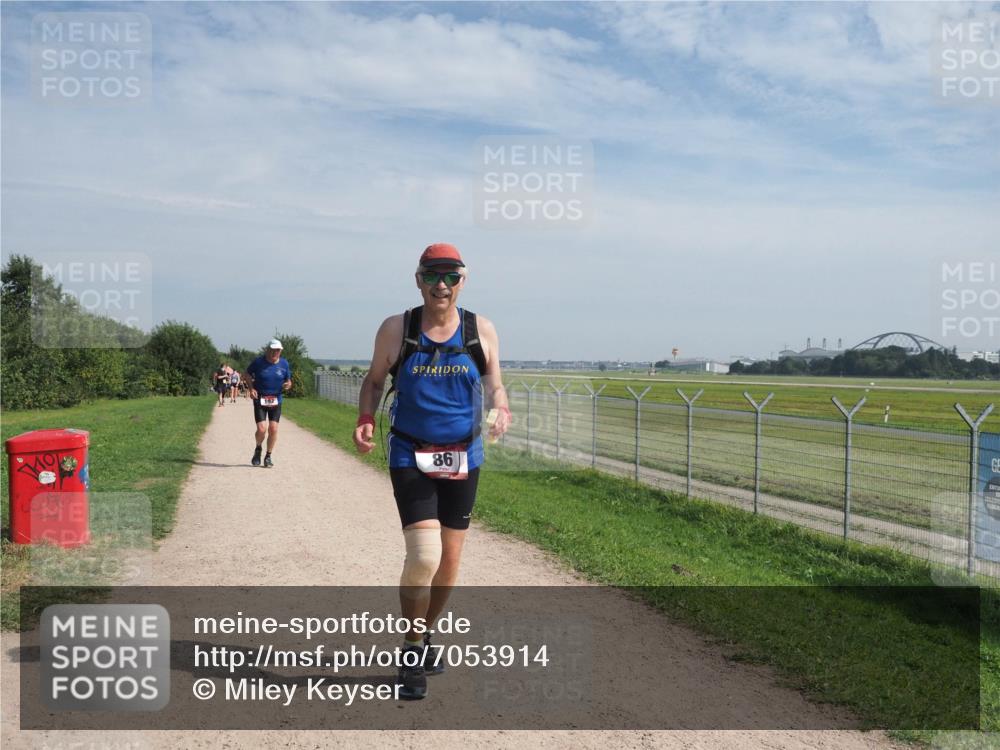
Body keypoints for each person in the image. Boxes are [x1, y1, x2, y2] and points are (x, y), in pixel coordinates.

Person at [352, 243, 511, 700]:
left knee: (449, 564)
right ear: (418, 279)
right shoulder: (396, 329)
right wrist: (366, 417)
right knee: (425, 556)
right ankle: (411, 647)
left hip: (464, 455)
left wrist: (501, 407)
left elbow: (495, 383)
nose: (441, 284)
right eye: (432, 275)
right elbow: (374, 381)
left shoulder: (481, 330)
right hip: (410, 452)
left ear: (463, 280)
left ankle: (424, 632)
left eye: (450, 276)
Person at [246, 340, 292, 468]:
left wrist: (288, 385)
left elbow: (288, 380)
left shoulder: (284, 364)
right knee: (262, 429)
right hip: (260, 399)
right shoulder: (258, 362)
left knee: (273, 429)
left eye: (277, 350)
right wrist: (251, 388)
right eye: (273, 350)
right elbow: (247, 374)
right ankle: (258, 448)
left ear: (280, 351)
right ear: (268, 350)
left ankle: (268, 456)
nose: (275, 352)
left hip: (276, 400)